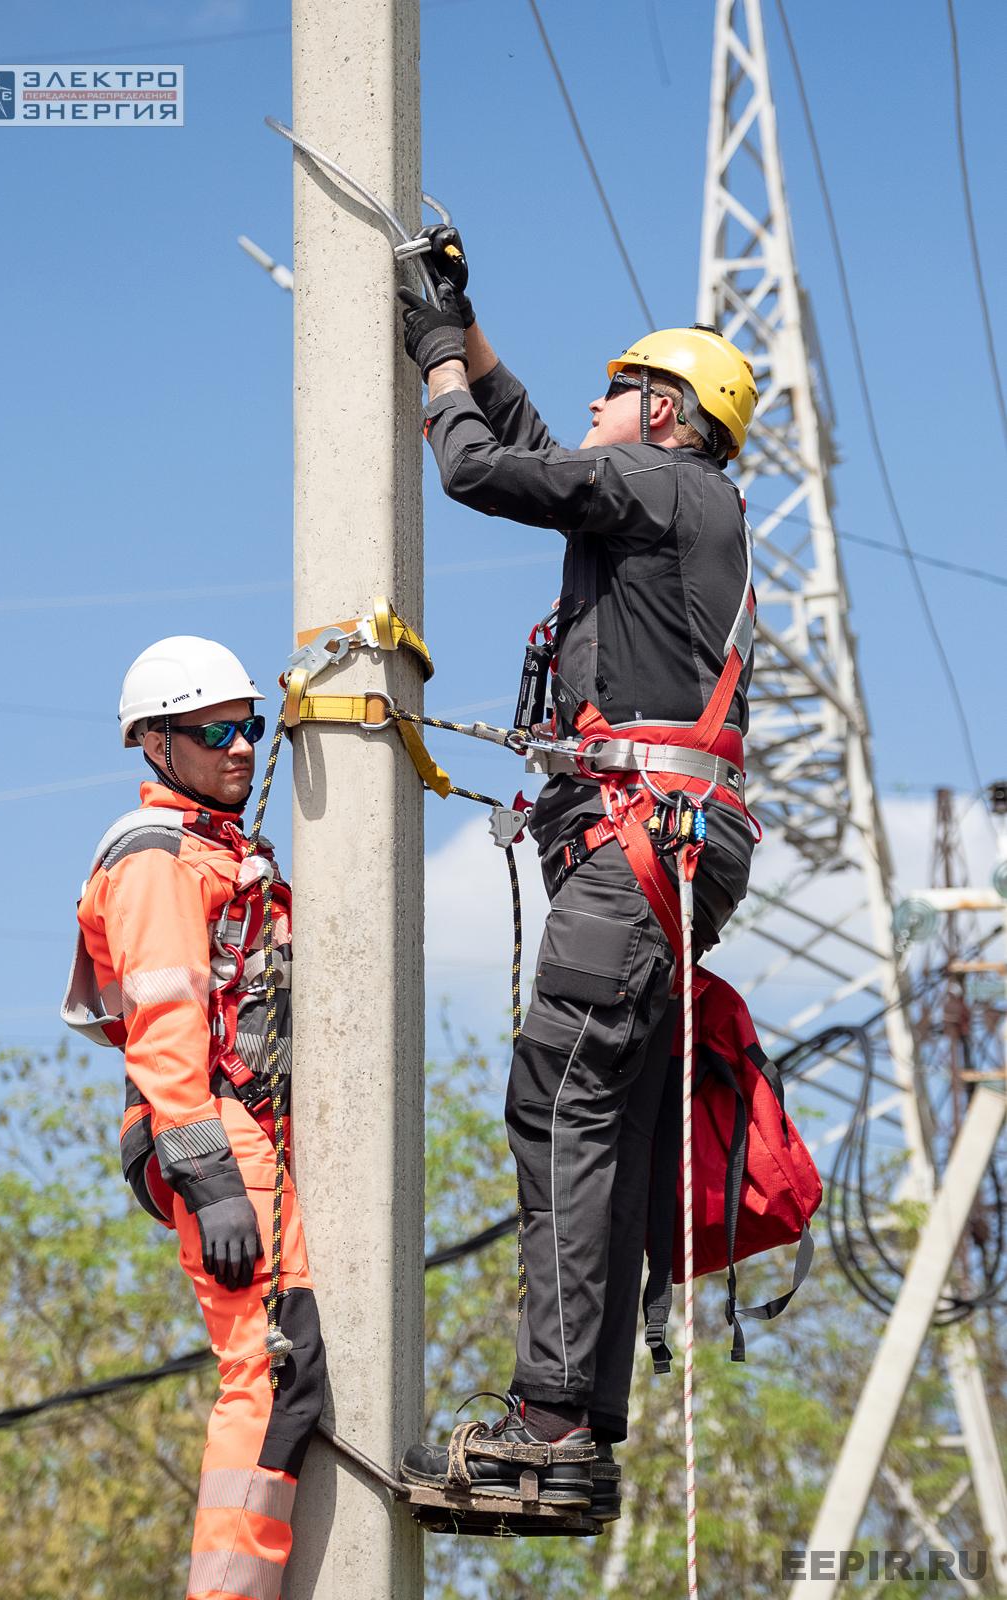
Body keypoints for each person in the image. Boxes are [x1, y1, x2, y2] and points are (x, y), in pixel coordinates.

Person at [396, 236, 759, 1519]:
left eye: (617, 389)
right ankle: (572, 1430)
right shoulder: (678, 499)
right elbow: (546, 434)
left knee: (558, 1102)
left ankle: (551, 1420)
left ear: (662, 416)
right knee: (595, 1116)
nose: (594, 407)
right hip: (659, 852)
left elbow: (484, 466)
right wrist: (461, 325)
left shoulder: (659, 488)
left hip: (637, 851)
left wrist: (434, 368)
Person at [62, 636, 325, 1600]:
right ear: (154, 746)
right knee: (268, 1368)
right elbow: (167, 1026)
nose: (242, 747)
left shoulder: (221, 852)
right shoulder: (156, 861)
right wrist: (210, 1178)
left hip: (247, 1128)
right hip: (210, 1129)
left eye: (249, 726)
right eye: (214, 730)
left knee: (296, 1364)